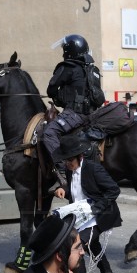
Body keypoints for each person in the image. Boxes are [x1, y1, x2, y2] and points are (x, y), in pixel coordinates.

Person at [53, 135, 122, 273]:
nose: (67, 164)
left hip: (99, 215)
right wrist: (63, 189)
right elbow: (77, 192)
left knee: (77, 245)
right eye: (65, 160)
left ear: (80, 156)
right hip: (81, 216)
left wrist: (97, 207)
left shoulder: (93, 168)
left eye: (70, 160)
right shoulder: (70, 171)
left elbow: (114, 190)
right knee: (93, 244)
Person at [42, 34, 106, 175]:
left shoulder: (68, 67)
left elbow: (51, 90)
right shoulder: (93, 70)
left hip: (75, 115)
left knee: (49, 132)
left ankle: (62, 170)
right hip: (93, 115)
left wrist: (59, 98)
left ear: (68, 51)